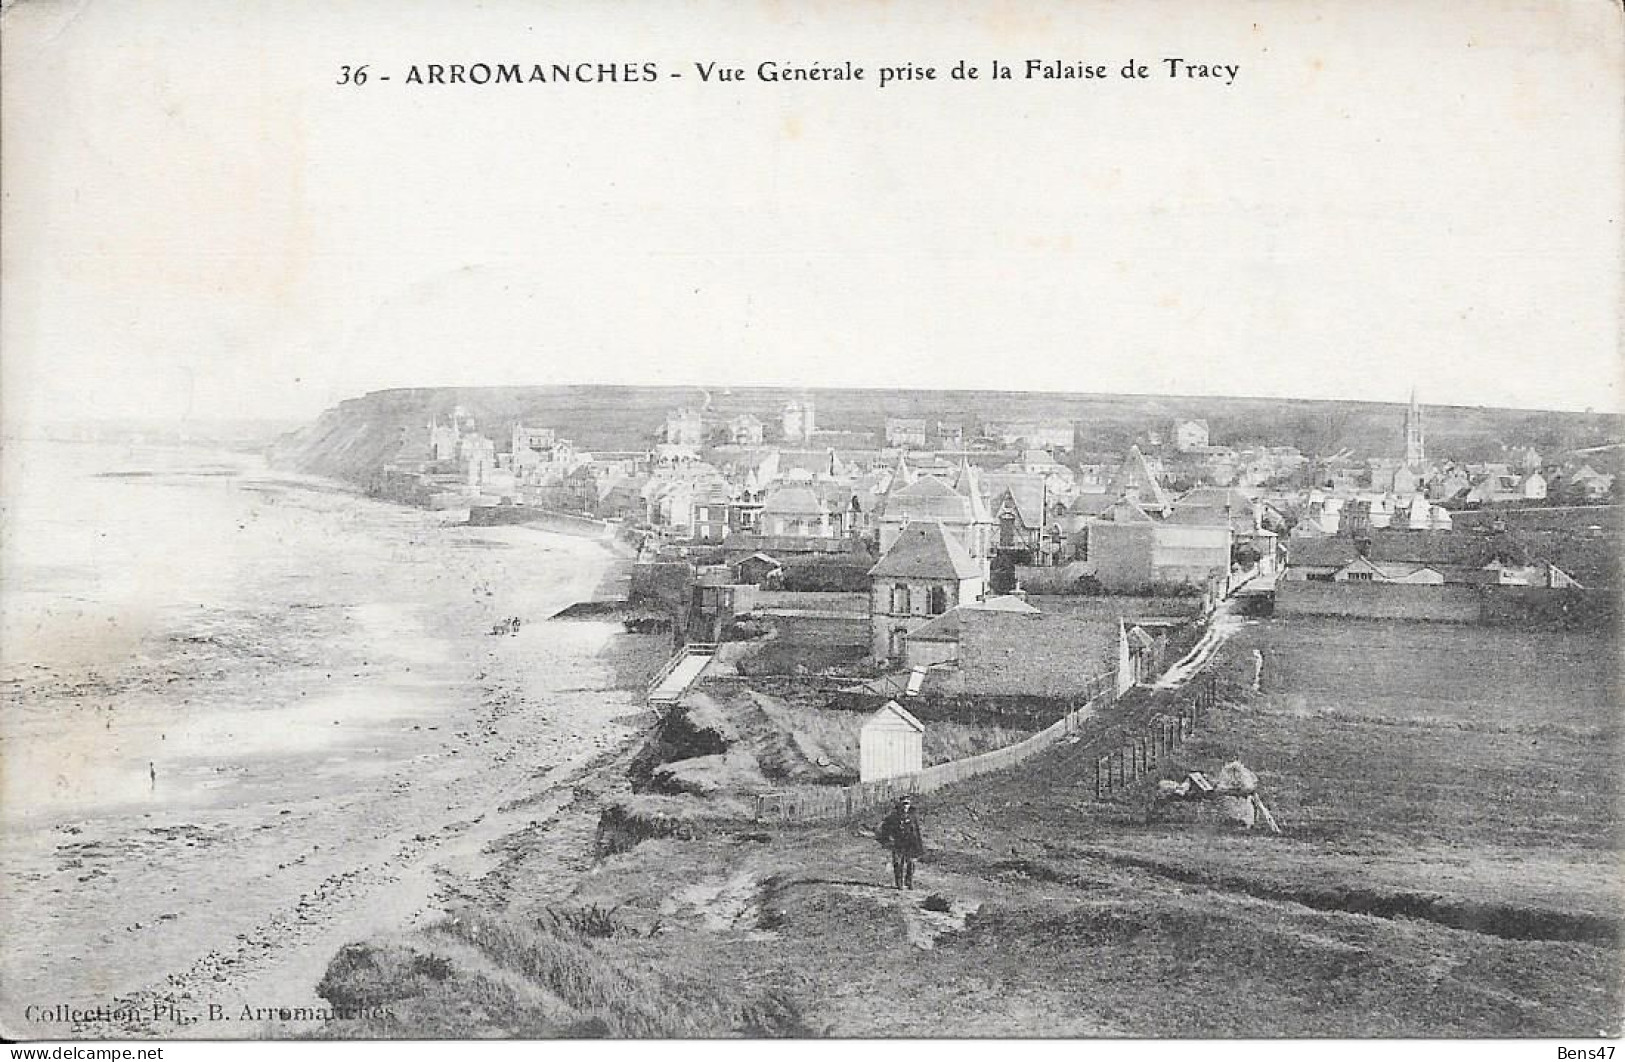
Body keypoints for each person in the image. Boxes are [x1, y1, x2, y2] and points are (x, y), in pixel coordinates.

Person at [877, 796, 924, 890]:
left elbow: (916, 831)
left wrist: (919, 845)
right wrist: (886, 840)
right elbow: (885, 829)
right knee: (898, 863)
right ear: (900, 805)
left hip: (910, 843)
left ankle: (909, 882)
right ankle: (899, 883)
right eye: (904, 803)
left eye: (907, 803)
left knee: (911, 863)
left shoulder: (912, 816)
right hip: (898, 843)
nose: (905, 806)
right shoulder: (894, 817)